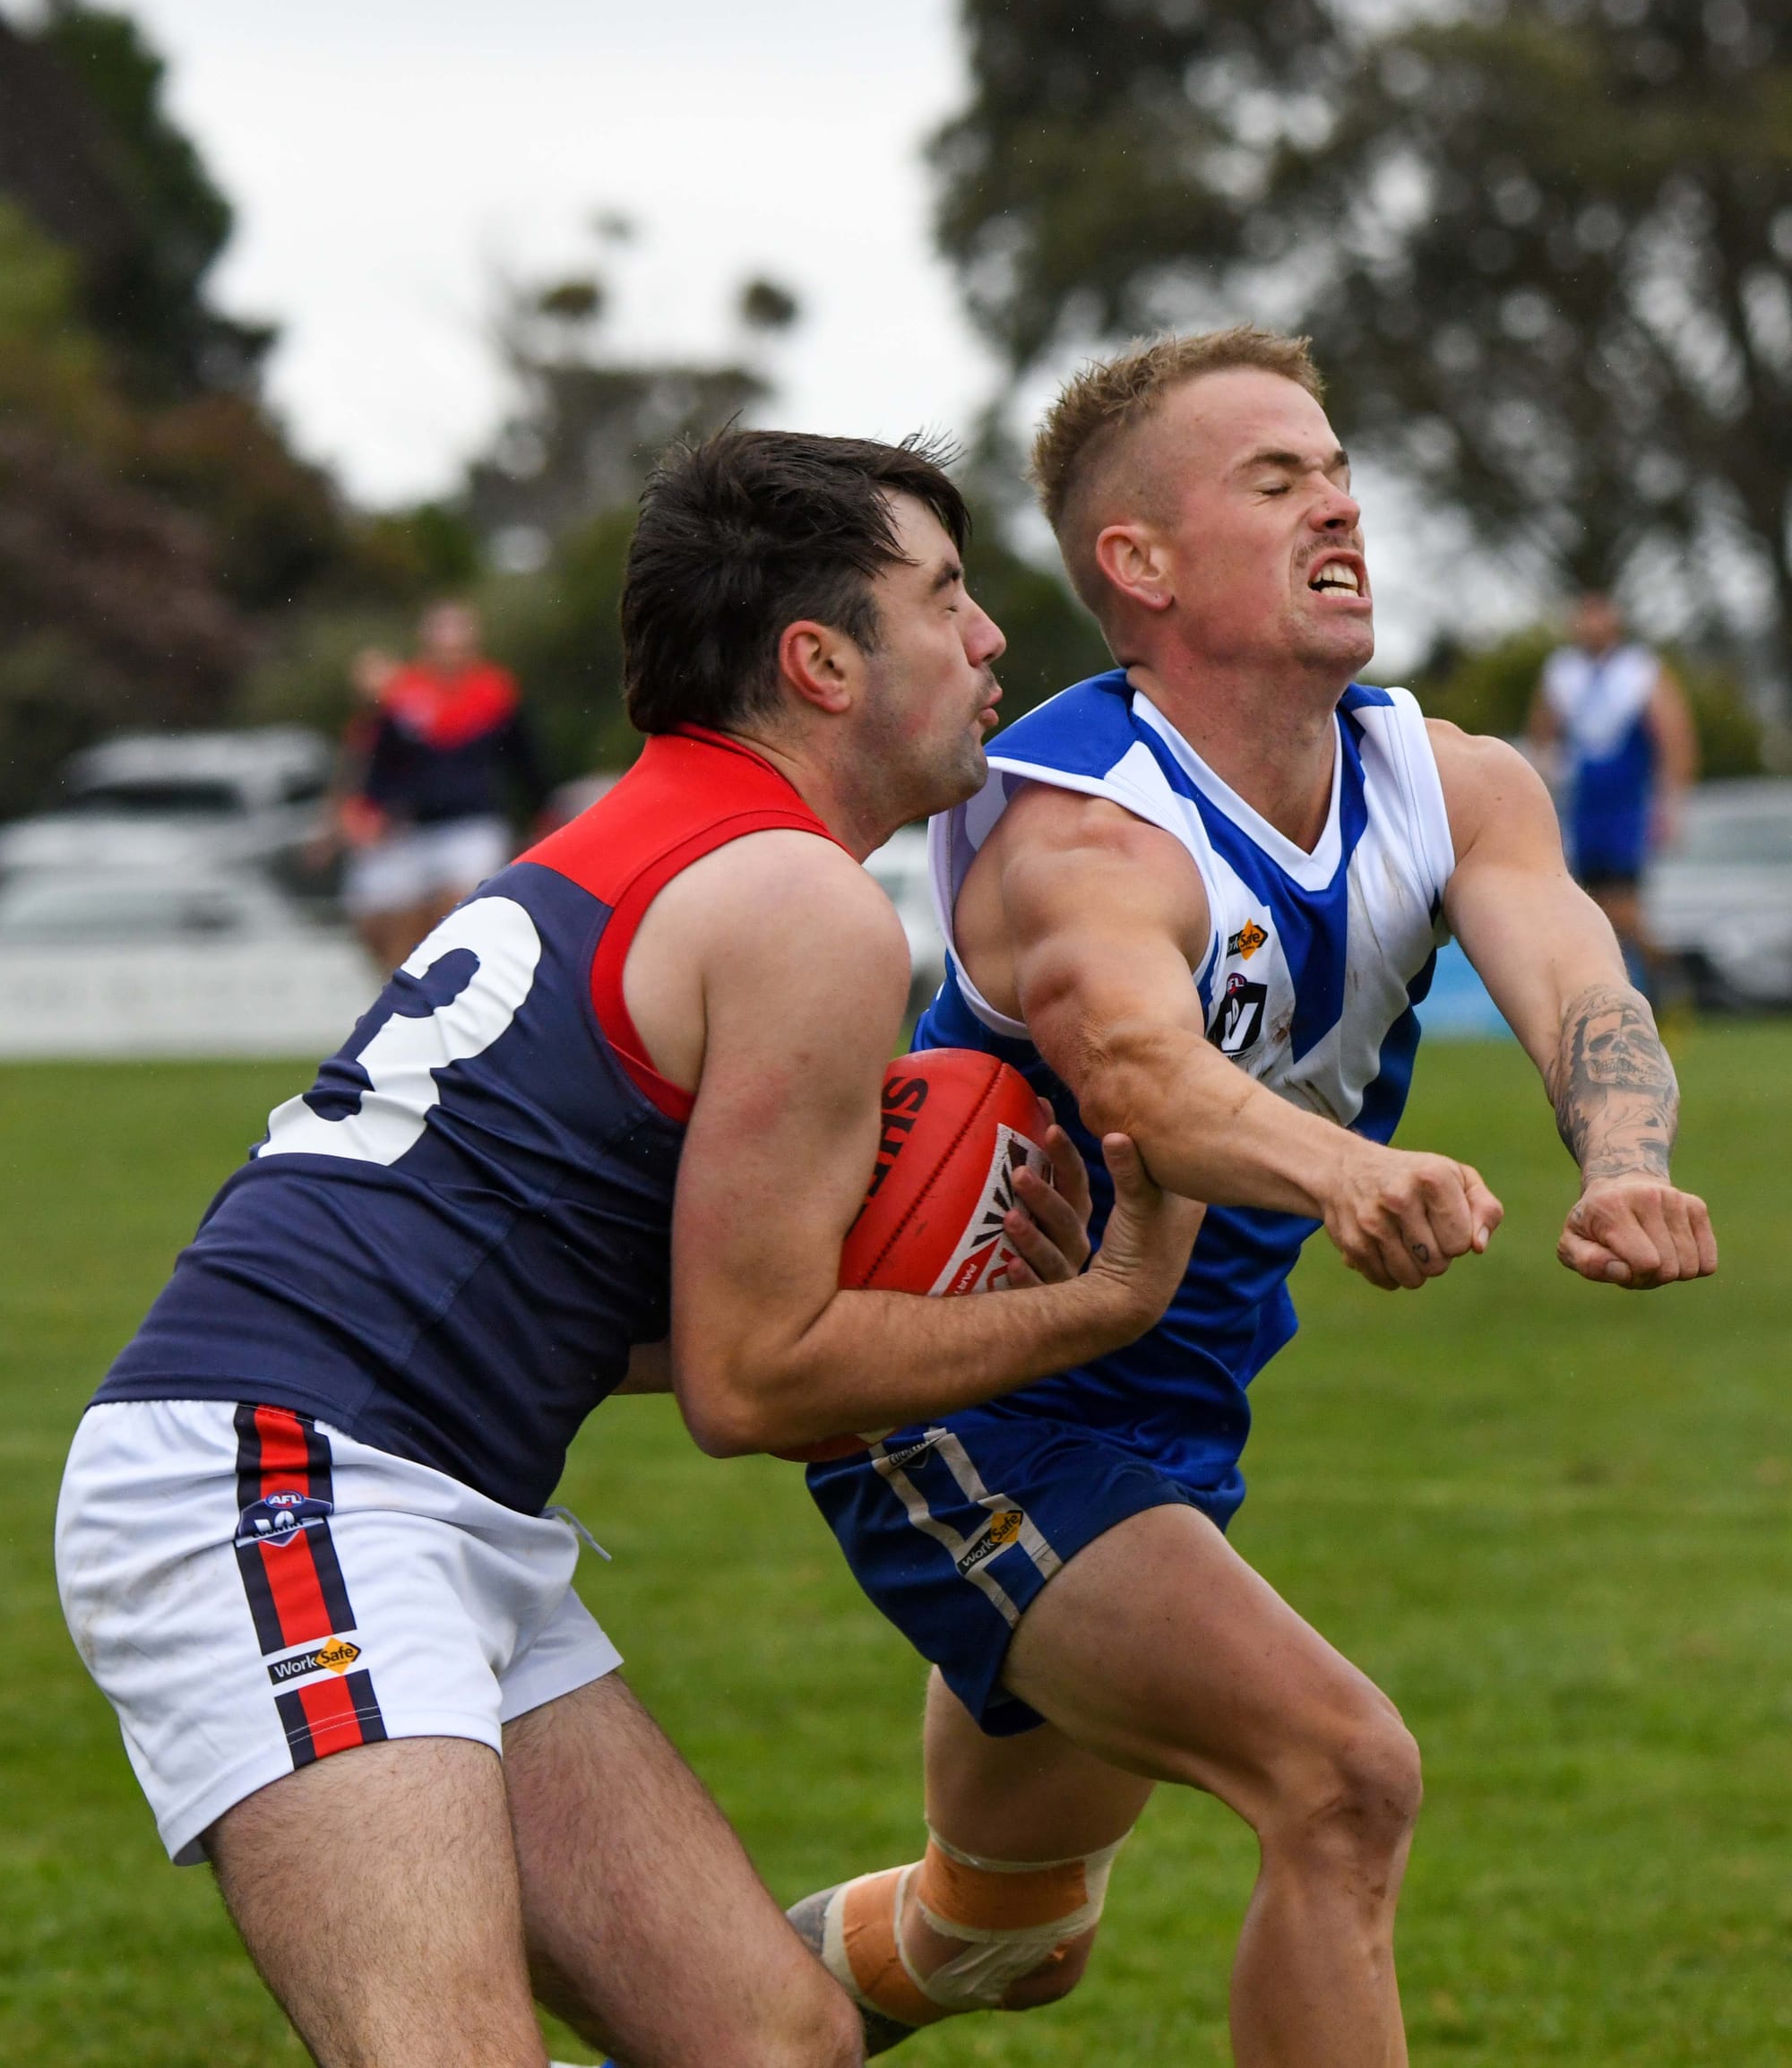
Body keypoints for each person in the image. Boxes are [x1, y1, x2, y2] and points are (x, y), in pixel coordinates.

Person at [56, 430, 1193, 2068]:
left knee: (772, 2040)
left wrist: (930, 1302)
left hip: (417, 1484)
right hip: (287, 1481)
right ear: (819, 661)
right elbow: (754, 1379)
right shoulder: (800, 905)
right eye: (944, 594)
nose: (992, 633)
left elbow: (659, 1316)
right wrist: (1106, 1302)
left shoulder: (673, 840)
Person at [790, 333, 1717, 2067]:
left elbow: (1586, 990)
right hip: (975, 1403)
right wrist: (1352, 1168)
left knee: (1001, 1936)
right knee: (1344, 1778)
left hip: (1173, 1412)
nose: (1339, 505)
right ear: (1138, 565)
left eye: (1339, 469)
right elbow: (1148, 1085)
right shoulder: (1082, 831)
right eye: (1275, 481)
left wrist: (1628, 1165)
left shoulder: (1454, 781)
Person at [342, 599, 551, 971]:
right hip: (412, 830)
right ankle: (399, 1005)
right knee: (383, 920)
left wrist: (541, 813)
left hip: (473, 824)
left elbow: (525, 761)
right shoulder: (404, 695)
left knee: (456, 910)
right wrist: (369, 809)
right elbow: (383, 765)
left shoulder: (495, 692)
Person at [1529, 591, 1697, 995]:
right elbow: (1542, 735)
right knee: (1590, 904)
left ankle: (1670, 972)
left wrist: (1672, 803)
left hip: (1626, 804)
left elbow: (1675, 737)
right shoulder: (1563, 672)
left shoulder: (1639, 671)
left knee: (1624, 904)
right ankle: (1618, 988)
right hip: (1584, 805)